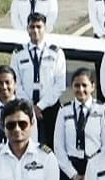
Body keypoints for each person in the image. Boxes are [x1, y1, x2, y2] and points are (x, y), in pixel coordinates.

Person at [10, 11, 66, 148]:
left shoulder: (56, 52)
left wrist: (40, 106)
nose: (35, 30)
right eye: (32, 27)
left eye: (39, 27)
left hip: (50, 108)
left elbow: (60, 84)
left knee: (53, 146)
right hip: (25, 108)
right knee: (26, 145)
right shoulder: (18, 53)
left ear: (45, 28)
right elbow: (15, 83)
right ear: (27, 29)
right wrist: (31, 106)